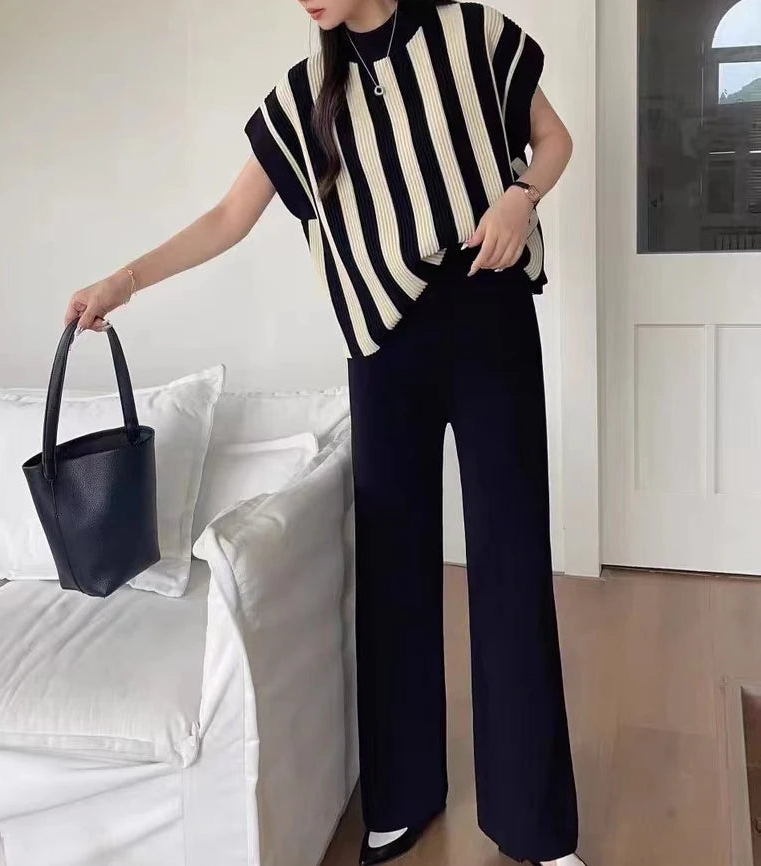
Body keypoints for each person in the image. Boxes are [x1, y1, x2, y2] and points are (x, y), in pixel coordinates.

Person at [63, 2, 585, 865]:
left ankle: (535, 827)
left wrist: (520, 197)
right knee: (392, 569)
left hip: (489, 317)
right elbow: (227, 218)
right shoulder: (308, 98)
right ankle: (403, 796)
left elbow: (554, 140)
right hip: (385, 350)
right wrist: (124, 281)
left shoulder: (470, 34)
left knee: (512, 558)